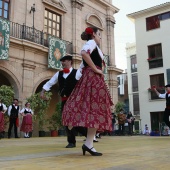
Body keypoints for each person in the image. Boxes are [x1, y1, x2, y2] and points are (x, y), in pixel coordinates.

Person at [62, 26, 113, 156]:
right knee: (95, 110)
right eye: (99, 34)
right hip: (92, 78)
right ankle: (75, 127)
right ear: (94, 35)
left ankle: (88, 144)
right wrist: (95, 70)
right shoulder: (91, 43)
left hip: (94, 79)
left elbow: (82, 66)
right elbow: (84, 53)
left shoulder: (95, 47)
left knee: (94, 112)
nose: (100, 37)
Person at [40, 55, 87, 148]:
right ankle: (71, 142)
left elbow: (84, 84)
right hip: (64, 101)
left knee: (74, 121)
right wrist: (42, 92)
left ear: (70, 61)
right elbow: (50, 82)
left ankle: (88, 134)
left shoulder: (77, 72)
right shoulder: (59, 74)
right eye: (61, 61)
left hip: (75, 101)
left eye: (64, 61)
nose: (62, 62)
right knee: (66, 121)